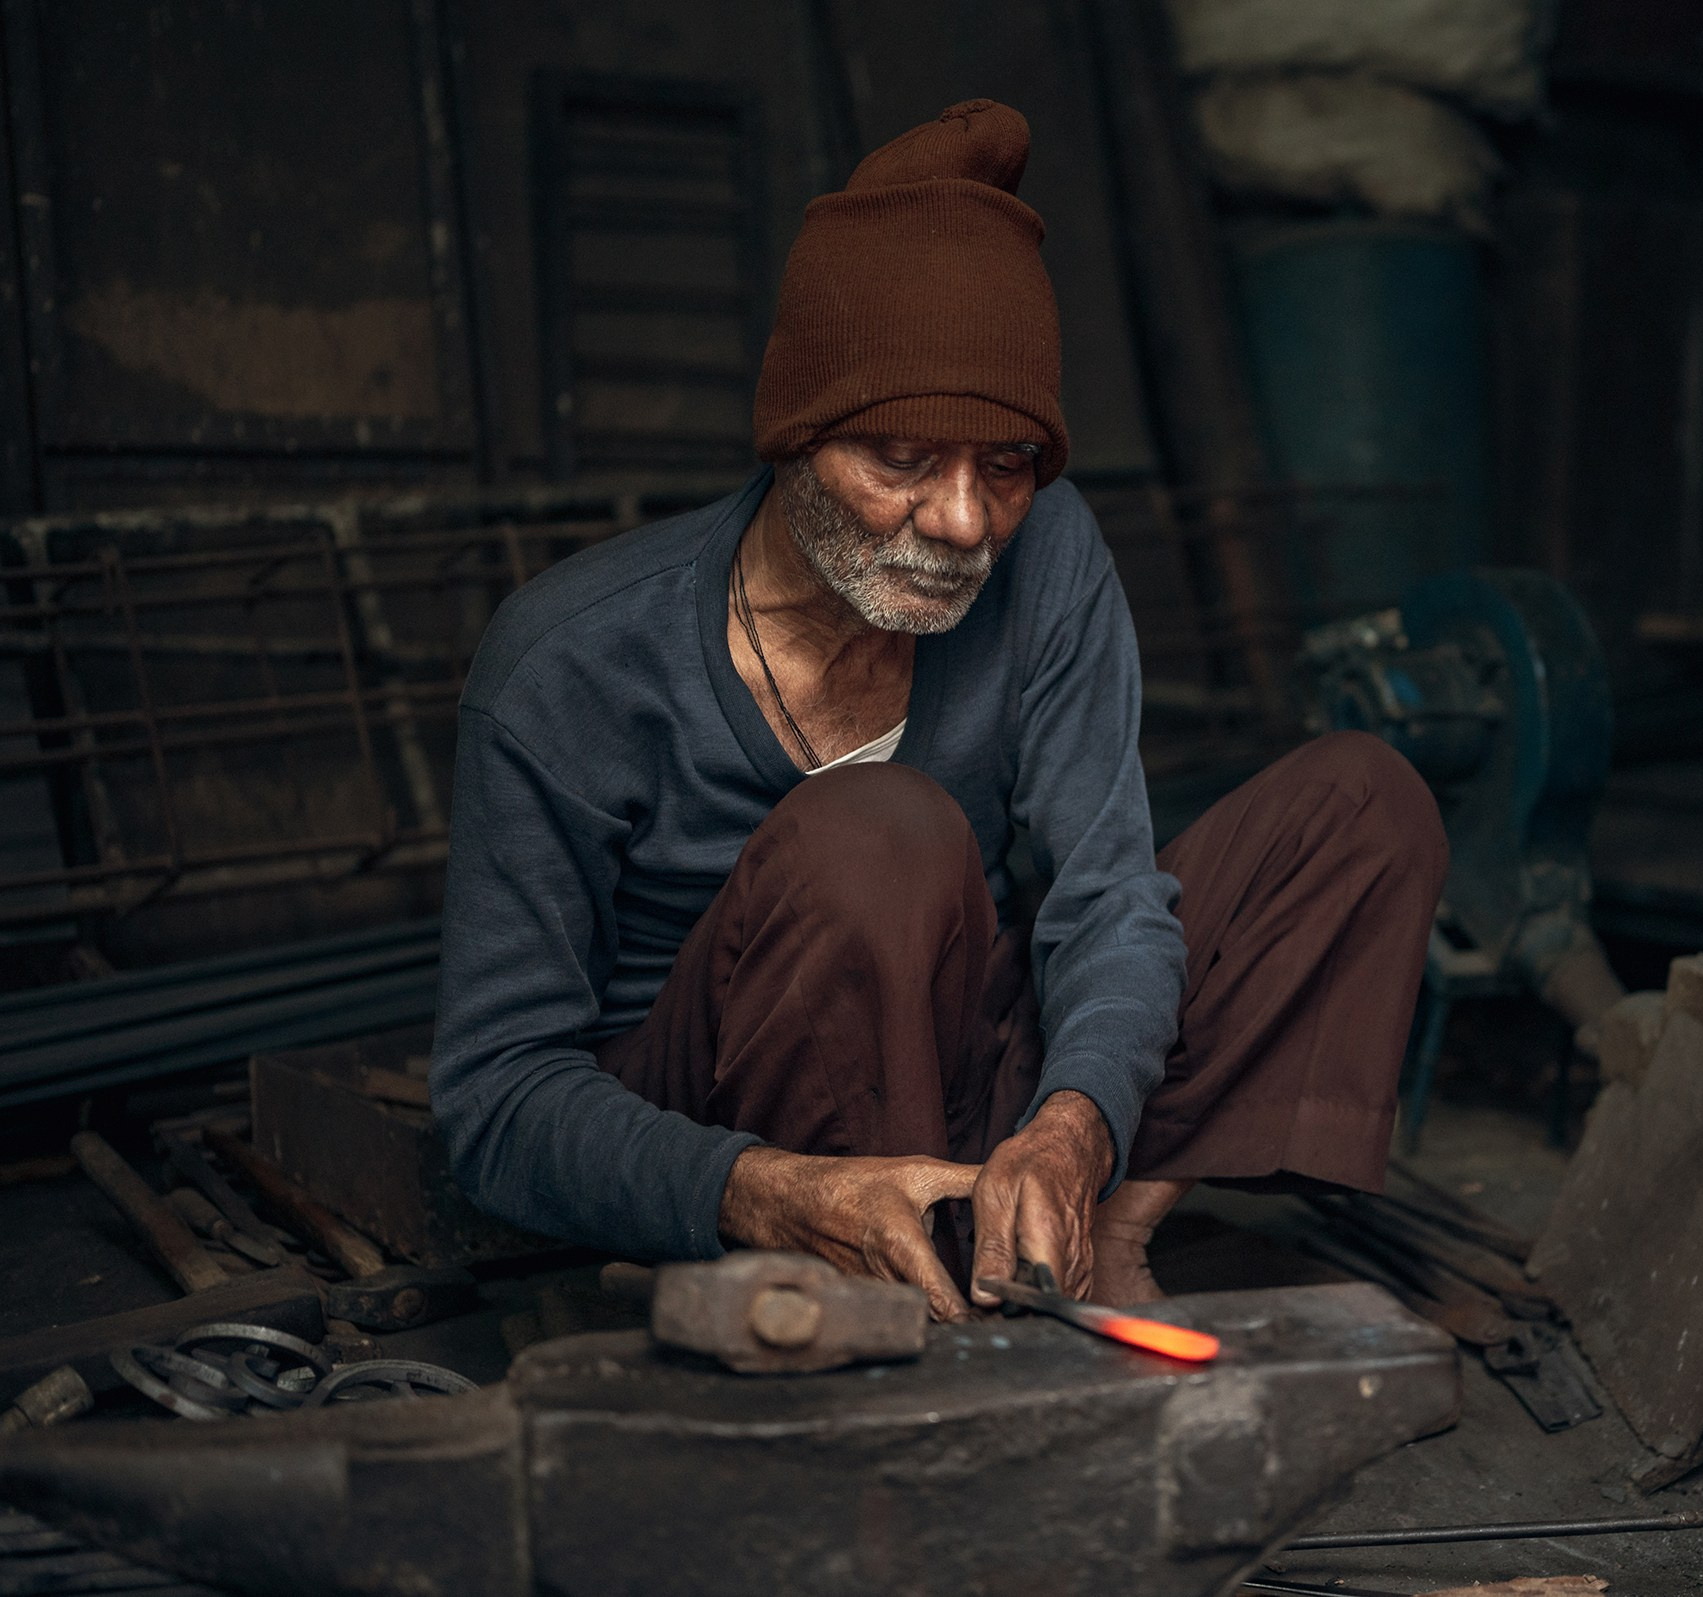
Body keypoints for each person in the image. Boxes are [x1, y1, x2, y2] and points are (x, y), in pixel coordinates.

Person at [429, 98, 1444, 1317]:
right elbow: (493, 1101)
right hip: (727, 1117)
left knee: (1360, 805)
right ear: (797, 438)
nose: (964, 521)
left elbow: (1106, 893)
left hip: (960, 1054)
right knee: (878, 831)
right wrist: (754, 1188)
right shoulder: (570, 664)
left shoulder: (1047, 552)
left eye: (1004, 468)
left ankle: (1087, 1236)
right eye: (902, 460)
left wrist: (1074, 1131)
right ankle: (885, 1277)